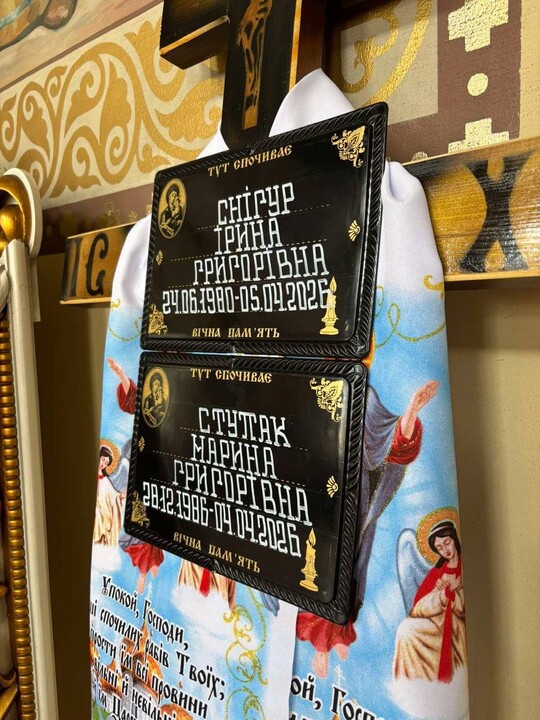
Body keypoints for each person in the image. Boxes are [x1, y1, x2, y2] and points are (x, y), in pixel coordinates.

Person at [296, 380, 439, 678]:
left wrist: (412, 409)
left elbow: (392, 443)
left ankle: (339, 632)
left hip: (355, 499)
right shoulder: (308, 386)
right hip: (319, 496)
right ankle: (321, 645)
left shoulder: (362, 393)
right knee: (318, 567)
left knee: (350, 565)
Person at [108, 358, 164, 591]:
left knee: (156, 520)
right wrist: (121, 374)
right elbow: (132, 398)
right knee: (140, 521)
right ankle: (143, 570)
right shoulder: (149, 404)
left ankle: (152, 564)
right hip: (142, 456)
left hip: (163, 462)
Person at [393, 520, 466, 683]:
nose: (445, 550)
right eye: (439, 547)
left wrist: (454, 593)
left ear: (454, 539)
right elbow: (418, 607)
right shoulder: (438, 572)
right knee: (405, 631)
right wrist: (441, 593)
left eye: (447, 542)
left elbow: (463, 607)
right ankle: (410, 683)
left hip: (456, 623)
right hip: (436, 622)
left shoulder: (464, 565)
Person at [93, 442, 124, 546]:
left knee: (97, 515)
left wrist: (120, 497)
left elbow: (113, 496)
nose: (103, 464)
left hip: (101, 514)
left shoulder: (105, 481)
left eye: (106, 463)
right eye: (103, 459)